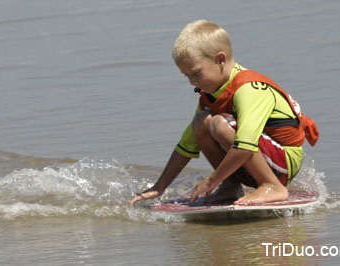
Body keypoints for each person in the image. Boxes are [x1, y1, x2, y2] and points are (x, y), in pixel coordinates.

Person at [129, 19, 318, 206]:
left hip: (284, 163)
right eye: (187, 76)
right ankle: (231, 184)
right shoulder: (211, 93)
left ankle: (271, 186)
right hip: (254, 159)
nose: (192, 82)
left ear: (220, 59)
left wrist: (211, 181)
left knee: (218, 124)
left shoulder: (250, 89)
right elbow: (187, 144)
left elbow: (245, 146)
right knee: (201, 122)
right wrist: (159, 187)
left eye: (196, 73)